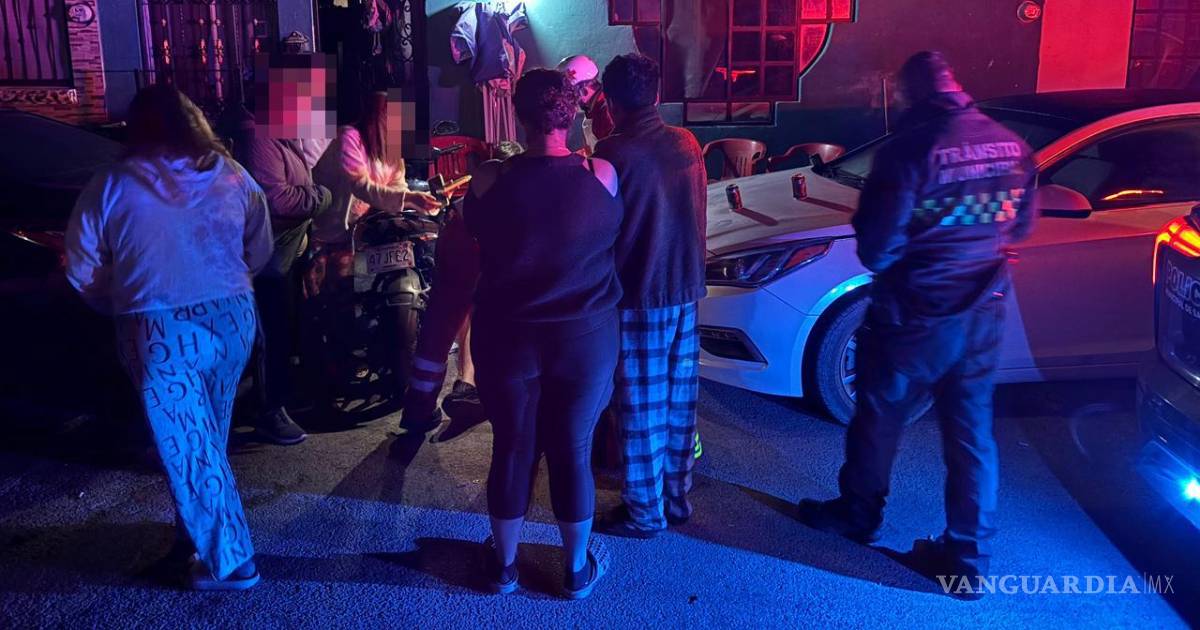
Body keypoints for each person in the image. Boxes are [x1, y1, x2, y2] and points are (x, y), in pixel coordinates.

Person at [794, 51, 1038, 600]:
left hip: (914, 315)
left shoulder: (909, 150)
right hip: (983, 313)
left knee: (879, 417)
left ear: (913, 93)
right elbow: (1020, 227)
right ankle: (968, 560)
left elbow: (877, 250)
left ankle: (858, 515)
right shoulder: (1010, 145)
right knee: (972, 434)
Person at [65, 84, 272, 590]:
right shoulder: (230, 173)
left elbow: (81, 265)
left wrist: (115, 300)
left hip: (158, 326)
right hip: (231, 317)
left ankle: (233, 563)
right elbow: (260, 244)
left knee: (187, 443)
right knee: (206, 435)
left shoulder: (112, 182)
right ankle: (194, 540)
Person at [460, 68, 622, 599]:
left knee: (511, 446)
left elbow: (473, 226)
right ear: (571, 115)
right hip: (585, 338)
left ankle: (503, 565)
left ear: (519, 118)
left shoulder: (490, 178)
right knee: (573, 448)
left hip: (507, 334)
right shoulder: (601, 174)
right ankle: (575, 571)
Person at [593, 53, 707, 539]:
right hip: (686, 289)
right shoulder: (686, 143)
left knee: (640, 407)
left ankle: (644, 512)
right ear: (657, 96)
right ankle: (676, 498)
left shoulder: (612, 153)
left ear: (610, 102)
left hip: (640, 292)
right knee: (680, 402)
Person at [243, 54, 337, 445]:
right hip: (267, 258)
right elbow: (277, 200)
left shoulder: (283, 135)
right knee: (272, 333)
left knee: (286, 329)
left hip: (287, 253)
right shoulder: (259, 136)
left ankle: (281, 399)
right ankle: (270, 411)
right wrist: (322, 196)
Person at [557, 55, 614, 153]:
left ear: (583, 89)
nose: (566, 98)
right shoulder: (593, 110)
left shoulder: (607, 112)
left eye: (569, 92)